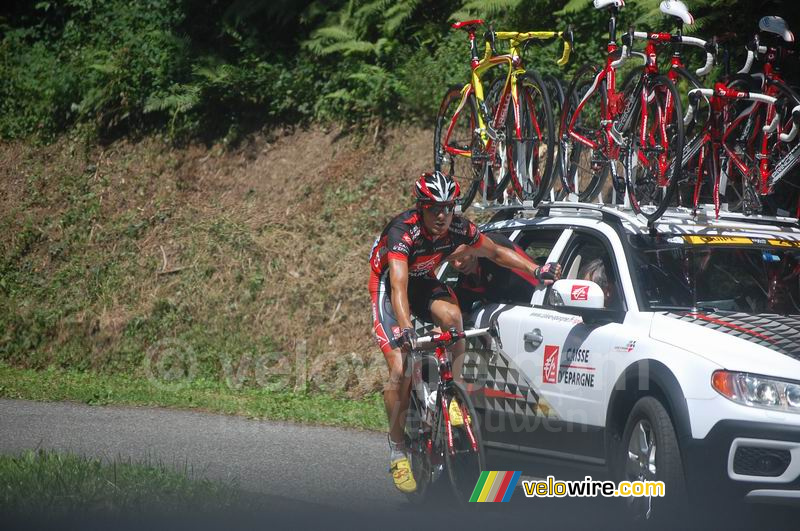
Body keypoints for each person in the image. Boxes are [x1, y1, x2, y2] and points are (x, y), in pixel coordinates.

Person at [368, 171, 562, 494]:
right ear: (421, 207)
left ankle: (452, 389)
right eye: (434, 209)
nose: (443, 215)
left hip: (423, 278)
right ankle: (397, 447)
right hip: (389, 286)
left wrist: (536, 270)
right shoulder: (404, 231)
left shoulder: (458, 226)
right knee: (401, 366)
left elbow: (496, 253)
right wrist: (405, 329)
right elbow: (400, 288)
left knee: (454, 318)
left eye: (448, 206)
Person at [451, 232, 548, 313]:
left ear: (472, 249)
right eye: (451, 261)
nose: (457, 264)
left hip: (541, 306)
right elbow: (460, 314)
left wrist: (540, 271)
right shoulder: (465, 281)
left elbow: (496, 252)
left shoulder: (494, 245)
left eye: (461, 257)